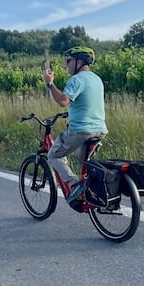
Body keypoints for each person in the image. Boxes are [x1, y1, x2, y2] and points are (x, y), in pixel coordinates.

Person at [43, 46, 107, 203]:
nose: (67, 65)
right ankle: (93, 194)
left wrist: (50, 84)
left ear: (79, 61)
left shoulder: (77, 79)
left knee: (53, 154)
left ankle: (75, 185)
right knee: (84, 165)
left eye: (69, 61)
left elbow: (64, 101)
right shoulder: (96, 79)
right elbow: (86, 102)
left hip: (81, 130)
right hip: (100, 130)